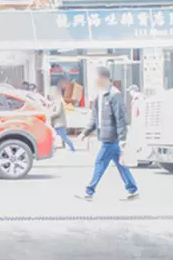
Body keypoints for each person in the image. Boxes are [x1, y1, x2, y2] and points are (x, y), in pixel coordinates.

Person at [78, 67, 139, 201]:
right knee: (120, 164)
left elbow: (121, 118)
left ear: (102, 78)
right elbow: (95, 118)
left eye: (95, 78)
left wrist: (122, 138)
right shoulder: (99, 95)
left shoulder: (114, 94)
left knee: (100, 162)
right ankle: (132, 189)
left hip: (111, 137)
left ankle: (89, 191)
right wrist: (85, 132)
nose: (94, 81)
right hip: (106, 136)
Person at [48, 85, 75, 153]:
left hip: (59, 123)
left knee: (63, 137)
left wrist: (49, 115)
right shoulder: (54, 101)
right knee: (52, 137)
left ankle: (72, 147)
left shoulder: (58, 101)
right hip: (56, 124)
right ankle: (53, 149)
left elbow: (58, 112)